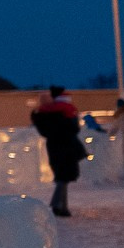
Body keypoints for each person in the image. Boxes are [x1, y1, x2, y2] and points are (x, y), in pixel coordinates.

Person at [29, 85, 85, 216]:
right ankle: (57, 205)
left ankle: (61, 207)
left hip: (53, 145)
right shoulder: (66, 111)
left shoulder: (42, 114)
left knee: (61, 176)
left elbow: (44, 131)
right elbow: (74, 129)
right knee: (64, 177)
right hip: (67, 145)